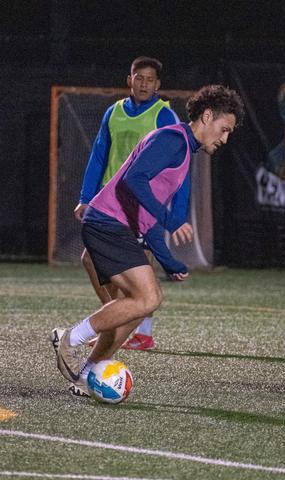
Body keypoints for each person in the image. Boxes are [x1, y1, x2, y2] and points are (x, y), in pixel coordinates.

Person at [52, 84, 245, 398]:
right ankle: (70, 339)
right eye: (224, 129)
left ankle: (86, 376)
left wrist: (168, 261)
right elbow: (134, 179)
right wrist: (170, 220)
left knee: (133, 311)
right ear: (207, 116)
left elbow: (146, 218)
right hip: (107, 224)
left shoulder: (182, 149)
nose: (224, 139)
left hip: (114, 228)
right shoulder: (173, 140)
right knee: (148, 299)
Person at [73, 56, 185, 351]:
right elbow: (99, 156)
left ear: (158, 84)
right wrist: (86, 198)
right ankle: (118, 321)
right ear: (129, 80)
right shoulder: (114, 112)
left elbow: (179, 167)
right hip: (110, 203)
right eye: (139, 78)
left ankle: (141, 333)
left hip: (141, 204)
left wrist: (175, 213)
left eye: (150, 80)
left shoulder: (165, 116)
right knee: (91, 260)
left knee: (139, 266)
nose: (144, 84)